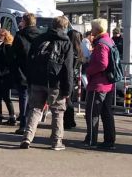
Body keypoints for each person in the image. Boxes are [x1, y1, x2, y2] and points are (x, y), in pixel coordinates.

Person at [19, 16, 74, 150]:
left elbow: (29, 61)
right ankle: (56, 142)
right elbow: (68, 69)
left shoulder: (39, 39)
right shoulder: (66, 43)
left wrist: (30, 80)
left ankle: (27, 138)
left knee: (35, 109)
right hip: (56, 82)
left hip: (37, 80)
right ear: (65, 27)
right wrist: (68, 89)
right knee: (57, 112)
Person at [83, 18, 117, 150]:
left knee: (92, 112)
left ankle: (91, 139)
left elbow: (102, 63)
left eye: (92, 28)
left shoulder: (101, 44)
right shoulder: (109, 41)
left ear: (97, 29)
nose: (91, 30)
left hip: (99, 83)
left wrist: (89, 69)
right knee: (106, 112)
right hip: (108, 83)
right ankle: (109, 140)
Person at [11, 13, 42, 135]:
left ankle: (23, 125)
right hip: (37, 71)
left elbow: (13, 56)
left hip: (22, 71)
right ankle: (31, 124)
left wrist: (14, 69)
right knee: (34, 99)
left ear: (24, 22)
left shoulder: (19, 35)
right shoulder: (41, 36)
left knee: (23, 97)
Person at [0, 29, 17, 125]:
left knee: (6, 97)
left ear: (5, 36)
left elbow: (8, 62)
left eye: (1, 35)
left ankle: (12, 117)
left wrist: (2, 72)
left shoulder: (7, 47)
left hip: (4, 75)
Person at [64, 27, 84, 130]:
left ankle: (68, 121)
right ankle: (70, 121)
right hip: (74, 78)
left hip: (68, 77)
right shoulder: (79, 51)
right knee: (70, 99)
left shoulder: (70, 51)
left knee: (67, 100)